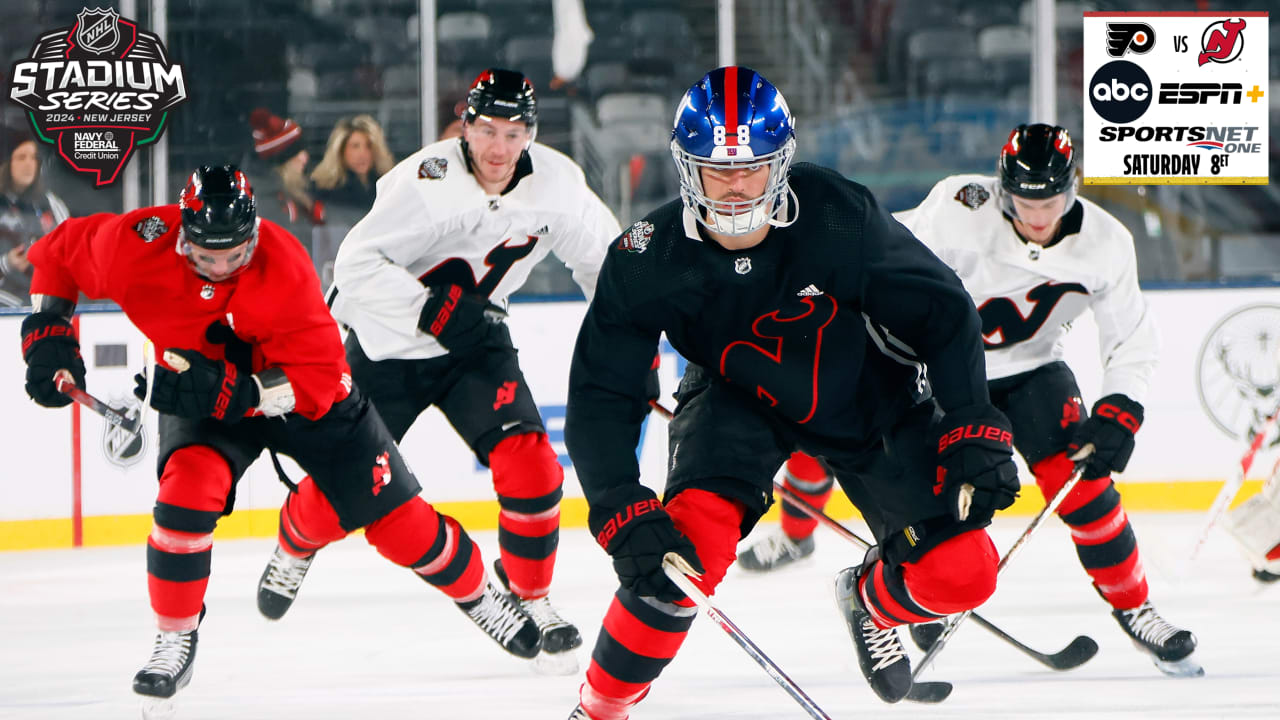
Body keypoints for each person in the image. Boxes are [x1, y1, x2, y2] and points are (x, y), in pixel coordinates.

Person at [563, 66, 1021, 717]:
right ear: (685, 166)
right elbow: (602, 393)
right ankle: (601, 706)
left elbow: (943, 313)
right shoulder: (646, 258)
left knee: (964, 573)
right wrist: (618, 505)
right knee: (674, 558)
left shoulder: (836, 213)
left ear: (782, 162)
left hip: (866, 393)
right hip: (734, 403)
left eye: (753, 166)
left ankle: (869, 600)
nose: (736, 185)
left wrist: (972, 419)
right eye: (716, 168)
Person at [20, 165, 543, 713]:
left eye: (235, 254)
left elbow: (319, 381)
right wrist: (49, 335)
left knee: (401, 529)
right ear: (181, 236)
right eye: (206, 255)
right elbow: (57, 254)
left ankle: (480, 595)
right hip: (202, 393)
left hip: (300, 397)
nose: (221, 267)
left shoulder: (286, 263)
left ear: (253, 236)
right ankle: (175, 635)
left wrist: (239, 394)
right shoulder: (137, 244)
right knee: (184, 494)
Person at [736, 123, 1202, 677]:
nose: (1035, 214)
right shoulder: (961, 207)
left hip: (1032, 372)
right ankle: (886, 577)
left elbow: (1131, 338)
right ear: (1002, 189)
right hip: (943, 374)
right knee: (909, 485)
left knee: (1085, 486)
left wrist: (1121, 407)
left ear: (1072, 190)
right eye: (1023, 199)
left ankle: (1134, 606)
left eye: (1049, 200)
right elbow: (878, 255)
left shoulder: (1106, 242)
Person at [309, 68, 621, 674]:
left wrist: (627, 347)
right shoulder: (424, 181)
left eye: (513, 132)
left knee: (533, 467)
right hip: (389, 345)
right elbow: (353, 264)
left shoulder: (557, 184)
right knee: (336, 492)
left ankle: (532, 596)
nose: (499, 148)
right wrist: (426, 309)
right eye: (487, 131)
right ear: (466, 125)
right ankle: (295, 547)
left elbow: (607, 268)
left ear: (531, 133)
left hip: (476, 342)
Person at [0, 135, 70, 306]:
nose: (28, 164)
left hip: (43, 294)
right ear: (6, 163)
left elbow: (70, 249)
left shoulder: (51, 203)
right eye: (21, 157)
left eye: (34, 158)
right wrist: (6, 263)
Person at [310, 114, 395, 223]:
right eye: (355, 146)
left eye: (368, 146)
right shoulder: (324, 189)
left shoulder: (387, 187)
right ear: (341, 151)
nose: (362, 154)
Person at [248, 108, 325, 229]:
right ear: (282, 161)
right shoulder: (269, 203)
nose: (305, 157)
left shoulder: (300, 195)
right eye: (297, 153)